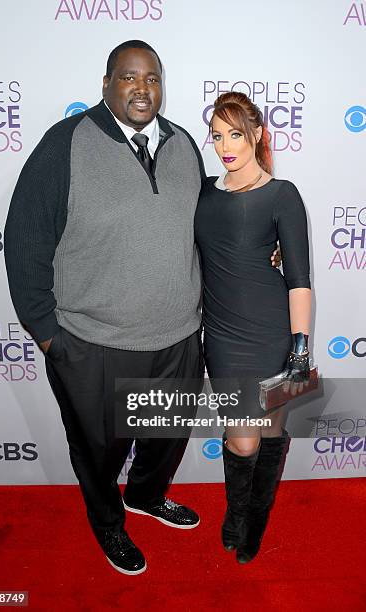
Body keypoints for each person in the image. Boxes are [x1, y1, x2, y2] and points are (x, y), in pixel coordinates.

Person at [4, 40, 207, 576]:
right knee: (100, 451)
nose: (142, 89)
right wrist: (50, 336)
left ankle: (145, 496)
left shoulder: (183, 143)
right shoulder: (65, 145)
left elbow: (201, 226)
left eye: (152, 78)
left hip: (179, 338)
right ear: (106, 84)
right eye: (128, 78)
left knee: (165, 439)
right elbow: (25, 241)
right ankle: (108, 523)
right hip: (94, 345)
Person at [194, 91, 312, 564]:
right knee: (240, 437)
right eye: (217, 135)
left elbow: (299, 280)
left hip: (272, 334)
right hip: (221, 337)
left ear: (258, 135)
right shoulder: (203, 191)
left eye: (235, 134)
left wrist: (300, 349)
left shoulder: (282, 195)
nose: (225, 145)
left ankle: (253, 523)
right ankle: (235, 514)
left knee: (269, 432)